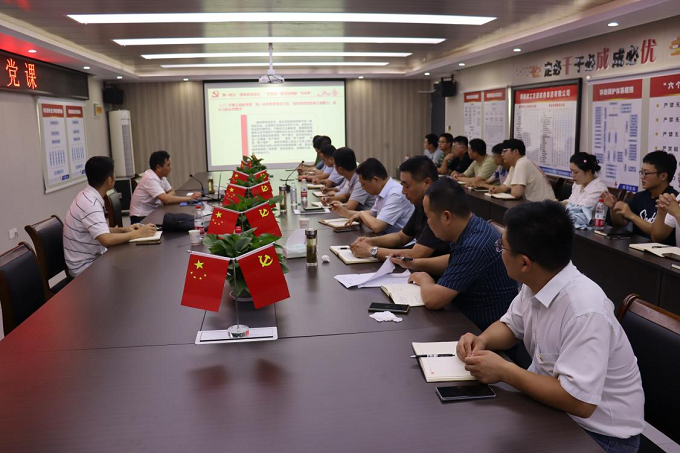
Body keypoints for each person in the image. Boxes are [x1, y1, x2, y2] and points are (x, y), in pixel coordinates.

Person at [457, 201, 644, 452]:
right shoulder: (537, 281)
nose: (499, 252)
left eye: (502, 246)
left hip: (600, 436)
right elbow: (511, 325)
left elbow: (579, 402)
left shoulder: (584, 310)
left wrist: (505, 371)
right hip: (553, 411)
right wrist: (482, 341)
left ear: (524, 263)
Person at [390, 178, 518, 330]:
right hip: (467, 319)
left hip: (480, 330)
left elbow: (433, 300)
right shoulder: (472, 225)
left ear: (446, 217)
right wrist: (415, 263)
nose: (428, 223)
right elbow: (455, 260)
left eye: (428, 217)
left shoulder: (474, 246)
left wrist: (424, 278)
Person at [63, 157, 157, 277]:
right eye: (114, 173)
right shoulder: (90, 204)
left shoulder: (86, 195)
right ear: (109, 180)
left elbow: (99, 230)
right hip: (85, 269)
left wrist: (125, 230)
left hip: (91, 261)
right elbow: (106, 240)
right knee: (137, 266)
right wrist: (137, 234)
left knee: (135, 260)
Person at [349, 156, 449, 260]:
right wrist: (371, 241)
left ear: (427, 183)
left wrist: (372, 250)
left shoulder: (439, 207)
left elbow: (417, 254)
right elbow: (401, 237)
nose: (403, 191)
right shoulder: (421, 204)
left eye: (407, 186)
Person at [603, 150, 677, 242]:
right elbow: (620, 223)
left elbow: (657, 234)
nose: (642, 176)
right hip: (635, 247)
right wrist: (613, 208)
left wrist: (632, 216)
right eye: (641, 172)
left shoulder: (672, 200)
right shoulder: (640, 197)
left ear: (663, 176)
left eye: (646, 173)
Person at [331, 158, 414, 234]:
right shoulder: (382, 190)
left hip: (401, 243)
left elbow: (377, 227)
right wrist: (345, 212)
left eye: (363, 184)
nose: (363, 188)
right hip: (386, 237)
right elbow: (372, 213)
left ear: (375, 180)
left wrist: (361, 213)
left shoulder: (395, 194)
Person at [129, 150, 200, 224]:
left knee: (178, 219)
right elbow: (166, 200)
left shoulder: (161, 176)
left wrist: (166, 198)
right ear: (158, 167)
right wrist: (190, 198)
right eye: (168, 165)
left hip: (153, 212)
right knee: (176, 223)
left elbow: (171, 192)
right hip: (140, 218)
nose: (170, 168)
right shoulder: (150, 178)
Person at [490, 139, 555, 202]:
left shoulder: (522, 163)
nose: (502, 155)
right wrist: (496, 189)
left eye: (505, 151)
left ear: (516, 152)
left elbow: (516, 193)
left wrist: (512, 188)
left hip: (545, 206)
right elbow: (505, 186)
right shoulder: (514, 165)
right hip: (536, 204)